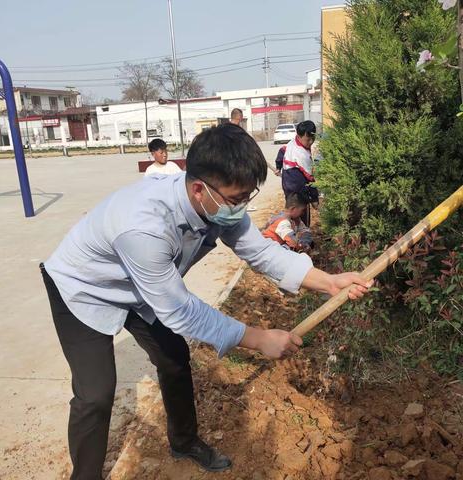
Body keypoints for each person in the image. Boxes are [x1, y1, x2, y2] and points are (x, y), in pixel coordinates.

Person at [41, 124, 372, 479]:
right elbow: (179, 309)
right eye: (236, 199)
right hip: (84, 286)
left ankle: (184, 441)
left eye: (247, 197)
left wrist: (328, 282)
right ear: (199, 189)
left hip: (143, 289)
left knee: (174, 359)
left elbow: (261, 252)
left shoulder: (217, 204)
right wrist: (259, 338)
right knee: (96, 393)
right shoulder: (144, 227)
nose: (241, 207)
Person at [281, 120, 317, 226]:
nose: (310, 142)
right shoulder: (302, 155)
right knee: (302, 216)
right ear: (299, 136)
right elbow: (310, 178)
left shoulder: (292, 142)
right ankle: (304, 239)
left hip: (288, 187)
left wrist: (279, 165)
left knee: (291, 215)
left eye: (312, 139)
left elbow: (281, 151)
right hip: (299, 191)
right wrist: (314, 199)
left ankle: (292, 236)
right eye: (308, 139)